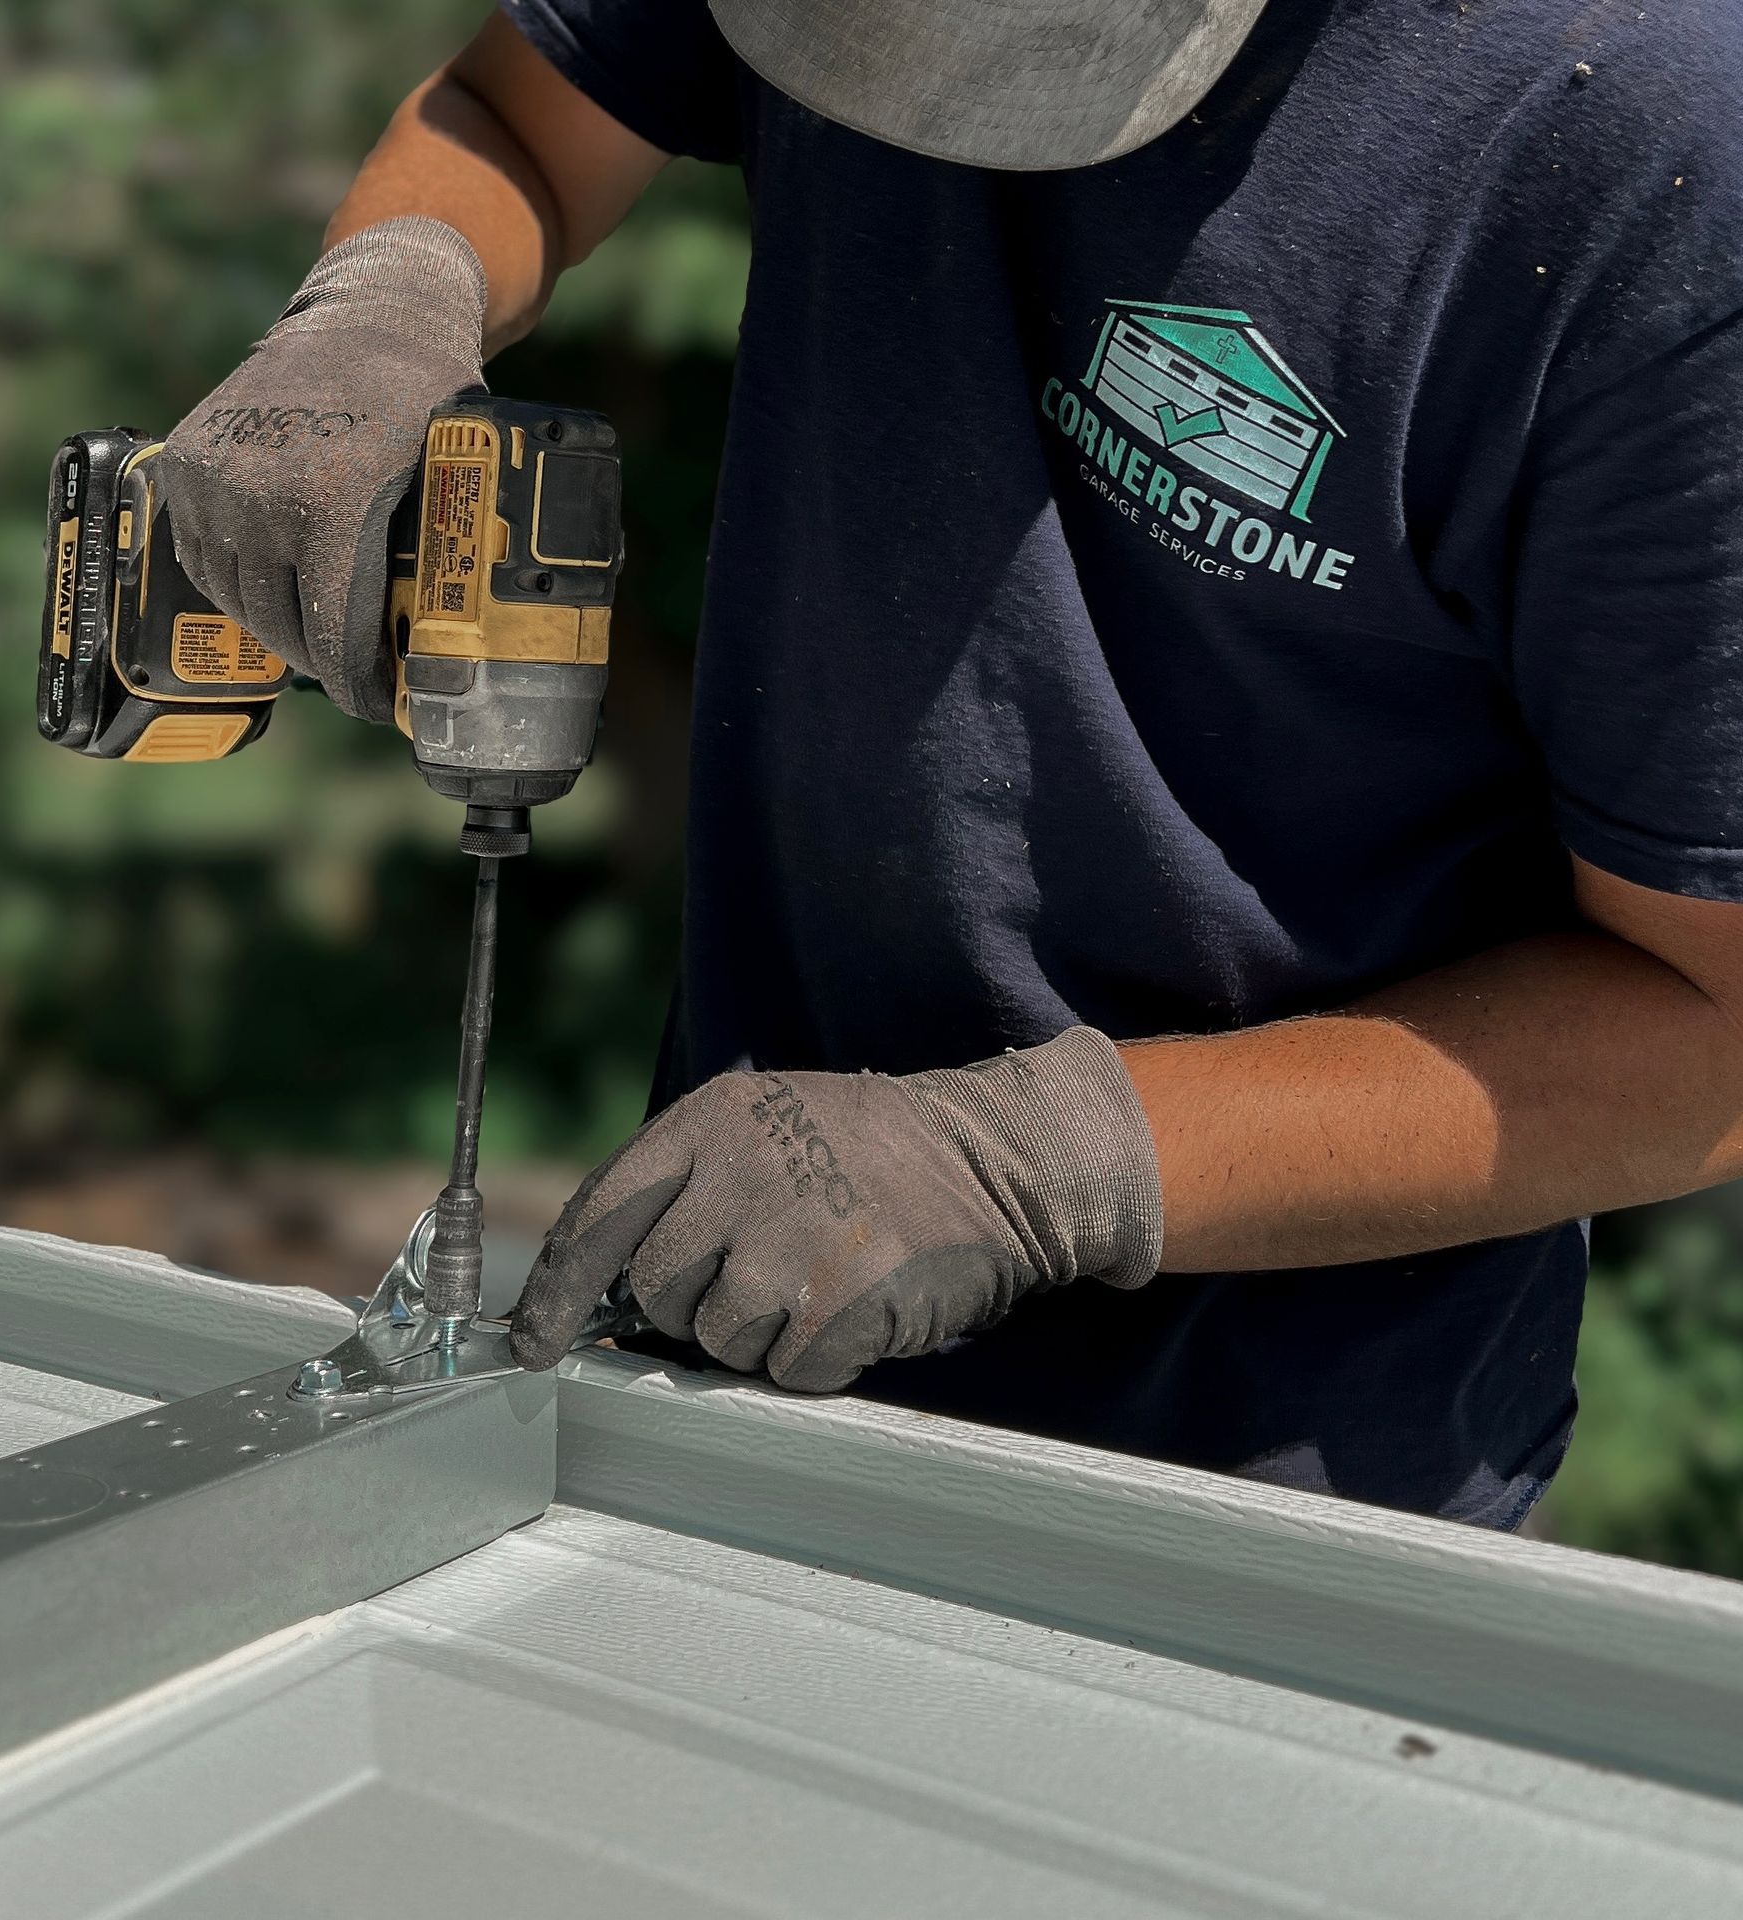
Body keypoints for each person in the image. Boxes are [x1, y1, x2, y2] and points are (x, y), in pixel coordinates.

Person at [155, 0, 1743, 1528]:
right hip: (724, 1370)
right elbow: (512, 115)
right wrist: (379, 305)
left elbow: (1707, 1034)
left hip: (1266, 1488)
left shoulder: (1641, 149)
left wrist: (1033, 1169)